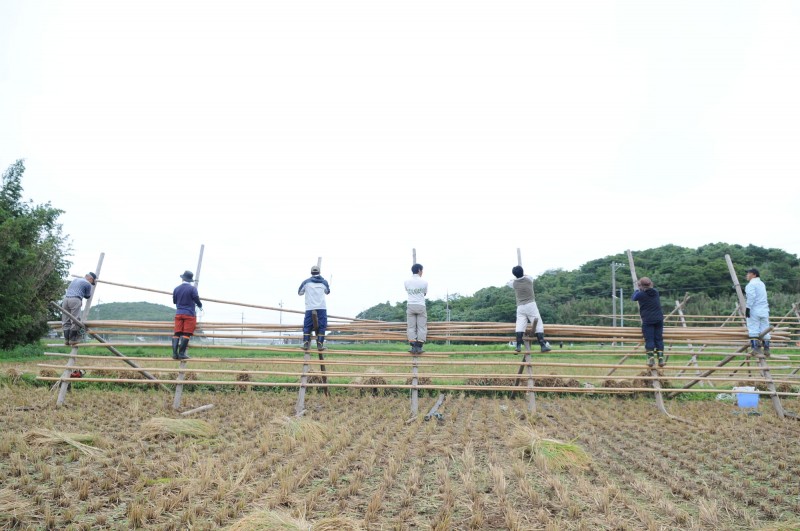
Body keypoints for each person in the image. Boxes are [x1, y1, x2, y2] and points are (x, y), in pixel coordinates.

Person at [507, 266, 551, 353]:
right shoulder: (529, 279)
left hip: (520, 307)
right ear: (523, 271)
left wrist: (516, 277)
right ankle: (542, 345)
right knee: (538, 324)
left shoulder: (513, 283)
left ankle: (518, 345)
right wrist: (522, 274)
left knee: (519, 325)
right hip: (531, 304)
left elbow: (508, 282)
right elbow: (527, 276)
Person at [631, 277, 665, 368]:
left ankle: (651, 359)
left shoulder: (640, 294)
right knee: (658, 338)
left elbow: (633, 298)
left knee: (649, 339)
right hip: (659, 319)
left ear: (641, 285)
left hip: (648, 319)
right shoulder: (656, 292)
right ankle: (661, 358)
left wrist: (637, 290)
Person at [298, 265, 330, 351]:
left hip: (310, 307)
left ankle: (305, 343)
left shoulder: (306, 282)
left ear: (311, 272)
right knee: (322, 326)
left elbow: (300, 293)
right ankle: (320, 343)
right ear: (319, 272)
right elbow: (327, 291)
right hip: (321, 307)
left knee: (307, 326)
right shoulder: (324, 282)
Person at [172, 270, 202, 360]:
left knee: (177, 333)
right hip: (189, 314)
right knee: (186, 333)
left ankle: (174, 354)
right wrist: (200, 305)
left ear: (183, 279)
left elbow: (174, 301)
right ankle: (181, 353)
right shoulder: (193, 289)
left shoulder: (176, 289)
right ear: (190, 280)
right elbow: (196, 299)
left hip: (179, 313)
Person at [61, 272, 97, 346]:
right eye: (92, 282)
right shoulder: (87, 283)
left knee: (66, 320)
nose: (91, 283)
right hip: (75, 299)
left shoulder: (75, 280)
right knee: (75, 320)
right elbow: (87, 296)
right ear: (91, 279)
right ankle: (72, 339)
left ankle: (66, 340)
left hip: (65, 300)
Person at [745, 268, 771, 357]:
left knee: (753, 328)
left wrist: (747, 308)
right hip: (764, 309)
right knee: (765, 329)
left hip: (755, 309)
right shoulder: (761, 283)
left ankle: (754, 348)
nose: (747, 275)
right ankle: (767, 348)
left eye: (749, 274)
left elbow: (751, 297)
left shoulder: (751, 284)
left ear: (754, 275)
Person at [405, 263, 428, 354]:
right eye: (422, 270)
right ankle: (419, 346)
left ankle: (413, 345)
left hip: (410, 305)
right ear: (419, 270)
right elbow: (425, 293)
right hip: (421, 305)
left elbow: (407, 290)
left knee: (411, 326)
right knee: (421, 326)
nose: (422, 272)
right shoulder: (424, 282)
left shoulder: (406, 281)